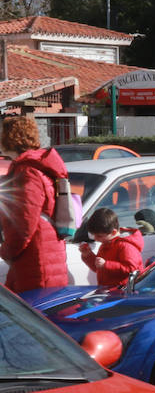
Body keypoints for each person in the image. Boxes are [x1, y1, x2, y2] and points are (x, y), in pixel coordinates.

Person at [0, 116, 69, 292]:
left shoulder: (27, 170)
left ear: (11, 137)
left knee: (34, 314)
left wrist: (7, 251)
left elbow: (24, 221)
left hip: (37, 255)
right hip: (41, 251)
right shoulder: (33, 166)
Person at [79, 207, 144, 287]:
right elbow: (98, 268)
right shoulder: (106, 243)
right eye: (93, 235)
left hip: (124, 291)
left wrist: (106, 265)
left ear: (113, 232)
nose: (95, 238)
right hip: (109, 289)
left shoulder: (126, 245)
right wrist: (88, 255)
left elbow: (132, 269)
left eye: (99, 236)